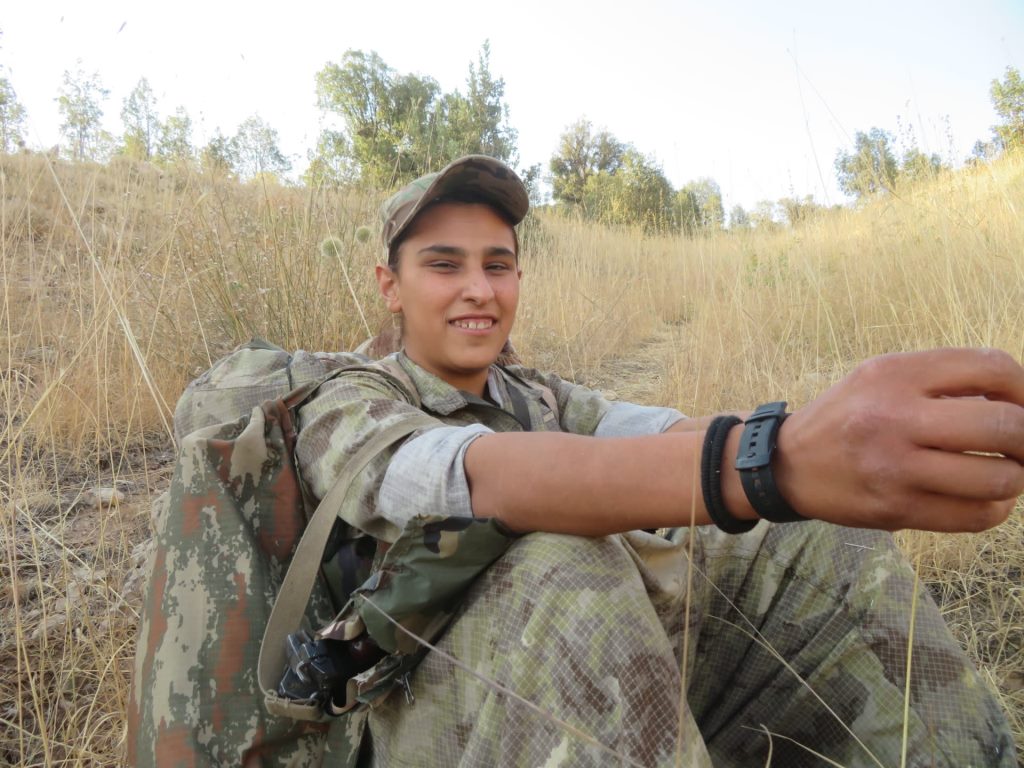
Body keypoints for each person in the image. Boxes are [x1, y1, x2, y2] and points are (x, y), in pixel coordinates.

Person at [288, 156, 1022, 767]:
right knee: (567, 564)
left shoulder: (533, 392)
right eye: (444, 265)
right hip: (427, 711)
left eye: (498, 265)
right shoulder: (346, 397)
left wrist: (815, 439)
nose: (478, 289)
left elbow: (661, 432)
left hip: (579, 672)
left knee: (812, 525)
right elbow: (468, 475)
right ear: (389, 285)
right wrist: (766, 464)